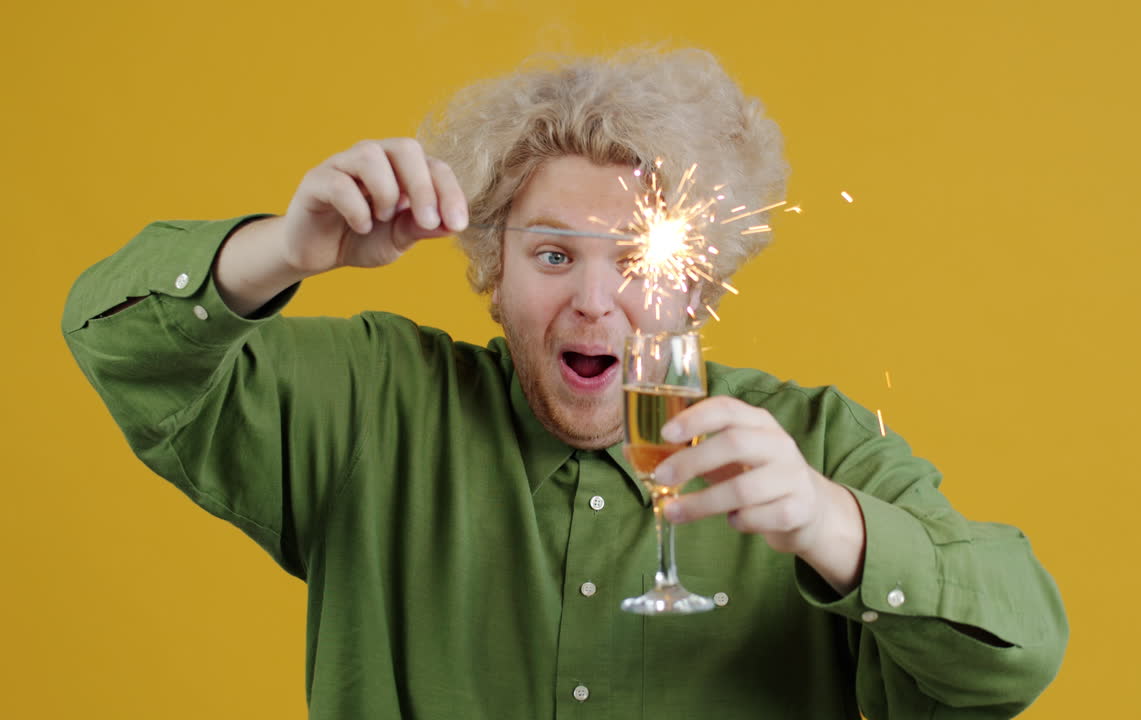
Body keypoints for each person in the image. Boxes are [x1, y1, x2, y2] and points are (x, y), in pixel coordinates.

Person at [63, 48, 1067, 718]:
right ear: (492, 273)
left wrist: (829, 524)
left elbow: (1013, 657)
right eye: (552, 255)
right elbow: (119, 343)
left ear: (698, 284)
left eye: (637, 261)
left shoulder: (811, 446)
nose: (594, 302)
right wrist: (283, 249)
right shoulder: (375, 405)